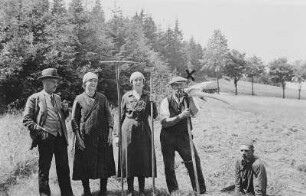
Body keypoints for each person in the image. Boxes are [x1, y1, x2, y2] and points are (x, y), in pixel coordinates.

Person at [23, 68, 74, 196]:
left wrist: (65, 111)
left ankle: (67, 194)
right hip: (45, 138)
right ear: (45, 82)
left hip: (60, 138)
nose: (56, 84)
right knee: (44, 169)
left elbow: (60, 118)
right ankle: (44, 194)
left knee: (63, 168)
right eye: (53, 81)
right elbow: (26, 120)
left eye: (56, 81)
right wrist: (40, 131)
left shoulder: (57, 98)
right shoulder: (34, 98)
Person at [71, 72, 115, 196]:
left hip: (102, 136)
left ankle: (103, 190)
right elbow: (74, 120)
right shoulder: (79, 99)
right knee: (84, 163)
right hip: (85, 137)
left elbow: (109, 116)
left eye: (95, 81)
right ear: (85, 83)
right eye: (90, 81)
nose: (93, 83)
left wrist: (110, 132)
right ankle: (86, 190)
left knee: (104, 163)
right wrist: (78, 138)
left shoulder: (102, 98)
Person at [159, 76, 206, 194]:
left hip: (184, 136)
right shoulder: (166, 101)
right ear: (171, 87)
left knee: (194, 161)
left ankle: (200, 190)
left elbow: (195, 113)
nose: (178, 88)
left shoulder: (188, 99)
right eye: (176, 85)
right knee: (169, 166)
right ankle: (174, 191)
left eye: (181, 85)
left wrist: (190, 100)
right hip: (168, 137)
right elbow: (164, 122)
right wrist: (180, 116)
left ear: (184, 86)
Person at [118, 71, 158, 196]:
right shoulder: (126, 96)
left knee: (142, 158)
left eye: (140, 80)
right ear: (131, 83)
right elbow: (120, 116)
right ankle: (130, 189)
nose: (138, 82)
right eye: (135, 80)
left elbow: (155, 115)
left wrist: (153, 102)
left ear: (143, 82)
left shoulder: (148, 96)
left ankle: (141, 190)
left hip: (143, 130)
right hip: (128, 130)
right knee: (129, 158)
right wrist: (116, 135)